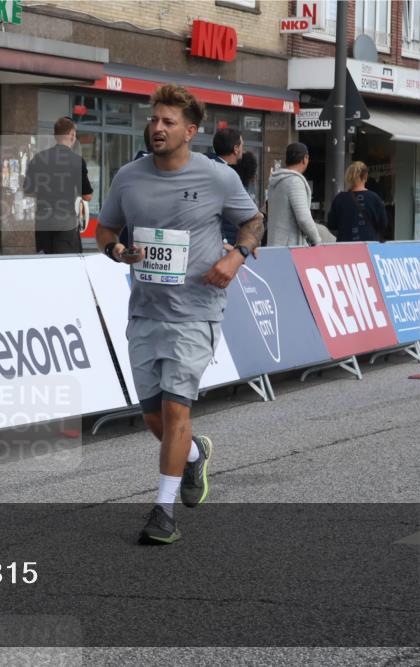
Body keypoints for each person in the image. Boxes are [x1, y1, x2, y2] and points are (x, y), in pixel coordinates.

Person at [96, 84, 264, 545]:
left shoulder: (216, 177)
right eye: (154, 120)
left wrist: (235, 258)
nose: (158, 128)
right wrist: (115, 249)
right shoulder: (128, 177)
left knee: (175, 409)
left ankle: (163, 511)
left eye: (169, 122)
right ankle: (193, 454)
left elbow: (254, 221)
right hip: (146, 310)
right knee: (154, 418)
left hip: (196, 310)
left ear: (191, 131)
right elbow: (104, 228)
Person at [23, 117, 94, 254]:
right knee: (66, 265)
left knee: (45, 264)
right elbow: (87, 196)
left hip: (43, 222)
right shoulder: (76, 161)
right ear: (72, 135)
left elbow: (28, 191)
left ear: (56, 136)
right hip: (65, 223)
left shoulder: (38, 158)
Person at [265, 142, 321, 247]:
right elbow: (304, 218)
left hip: (275, 245)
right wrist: (317, 240)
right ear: (305, 158)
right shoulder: (294, 181)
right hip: (290, 249)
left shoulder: (275, 181)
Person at [326, 161, 387, 243]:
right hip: (369, 247)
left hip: (345, 248)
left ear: (349, 177)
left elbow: (331, 224)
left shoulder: (339, 199)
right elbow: (383, 224)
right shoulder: (375, 198)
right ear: (365, 176)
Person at [210, 127, 244, 244]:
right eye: (242, 146)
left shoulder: (209, 165)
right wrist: (224, 241)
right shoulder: (223, 174)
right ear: (235, 149)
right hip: (221, 244)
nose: (242, 151)